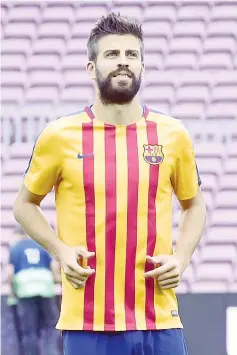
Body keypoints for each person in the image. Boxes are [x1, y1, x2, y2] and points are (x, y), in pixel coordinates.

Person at [13, 12, 206, 355]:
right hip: (88, 322)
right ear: (92, 68)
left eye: (132, 55)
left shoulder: (173, 135)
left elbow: (194, 205)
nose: (123, 63)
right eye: (112, 54)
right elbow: (24, 205)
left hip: (159, 319)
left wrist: (182, 257)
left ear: (142, 67)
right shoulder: (59, 136)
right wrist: (60, 250)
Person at [7, 226, 61, 355]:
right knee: (50, 327)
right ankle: (51, 352)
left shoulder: (15, 248)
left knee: (29, 331)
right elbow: (54, 269)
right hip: (46, 289)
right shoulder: (42, 245)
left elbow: (10, 273)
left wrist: (13, 291)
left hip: (25, 290)